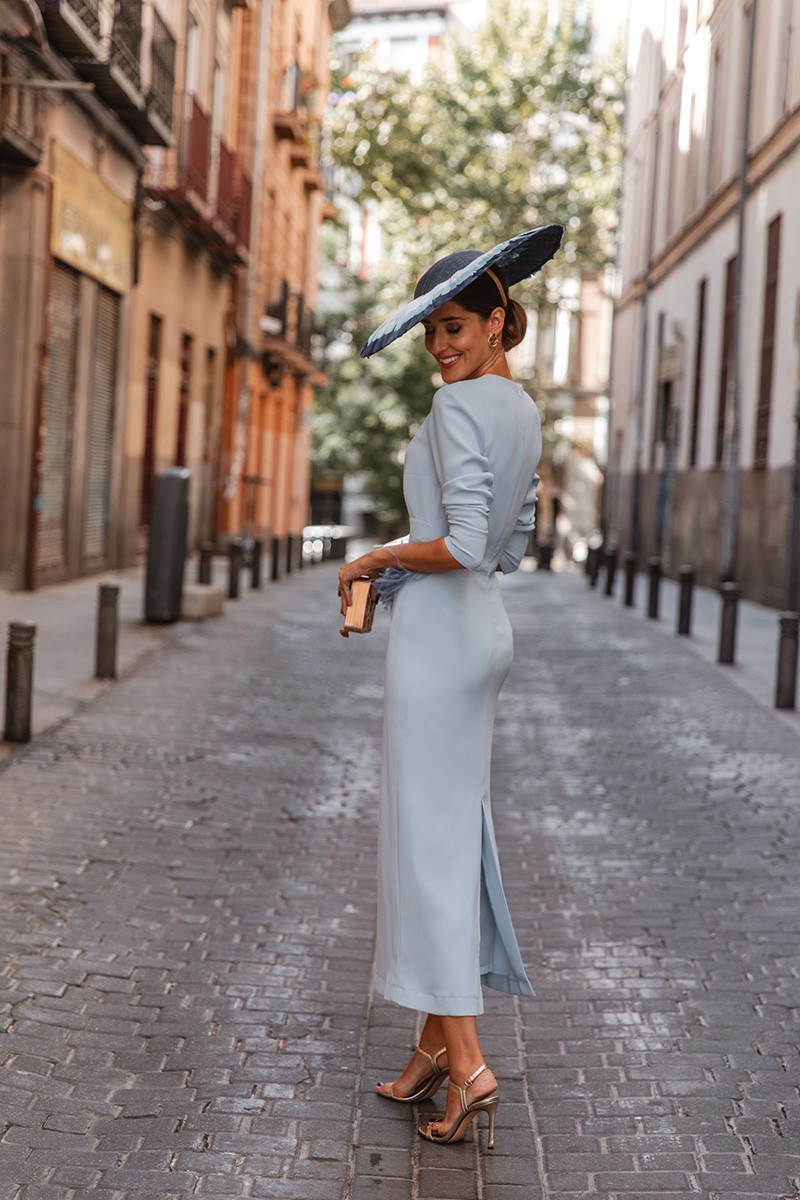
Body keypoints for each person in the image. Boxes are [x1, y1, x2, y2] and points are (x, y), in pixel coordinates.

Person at [337, 226, 562, 1149]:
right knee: (451, 836)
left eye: (459, 325)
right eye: (433, 330)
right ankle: (430, 1045)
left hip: (438, 645)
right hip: (480, 629)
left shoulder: (460, 410)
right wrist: (404, 569)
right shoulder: (522, 410)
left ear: (502, 320)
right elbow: (508, 544)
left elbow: (463, 544)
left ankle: (468, 1065)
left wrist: (381, 554)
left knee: (428, 849)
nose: (441, 345)